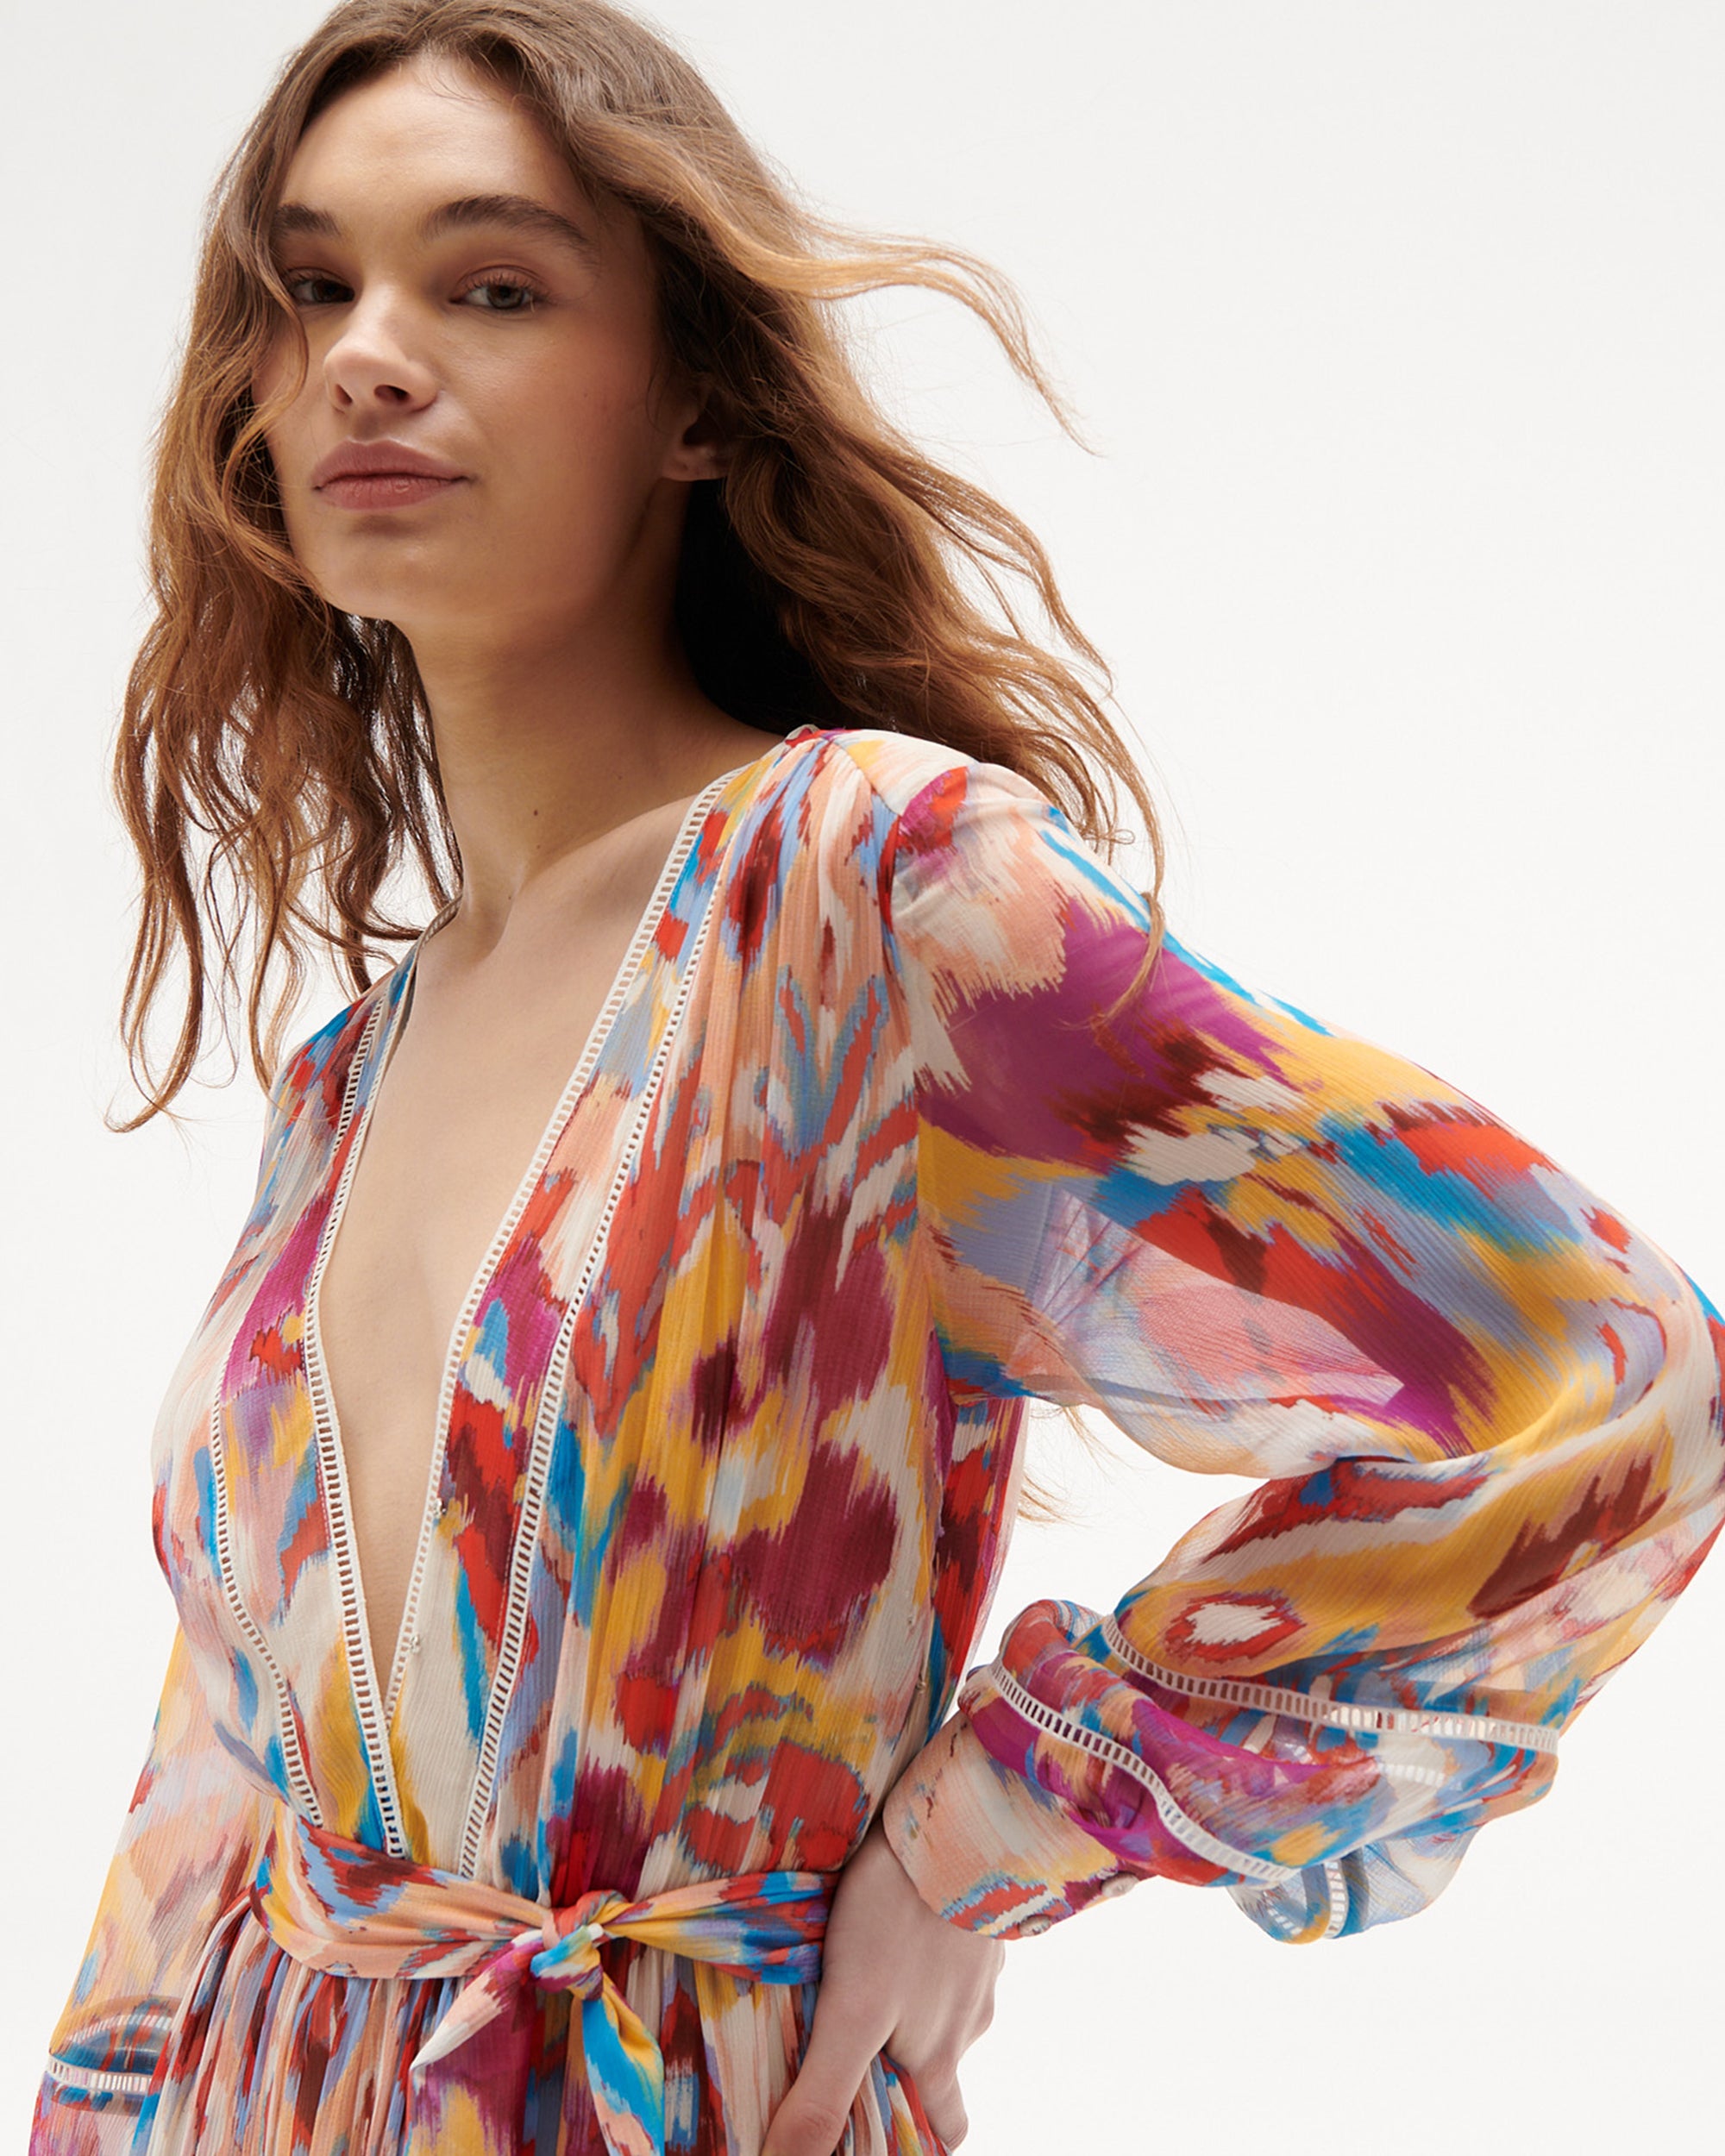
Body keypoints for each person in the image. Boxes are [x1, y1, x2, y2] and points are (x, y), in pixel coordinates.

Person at [31, 3, 1725, 2153]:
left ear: (692, 402)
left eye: (491, 286)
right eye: (308, 284)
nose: (364, 353)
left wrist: (985, 1828)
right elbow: (206, 1802)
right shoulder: (344, 1078)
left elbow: (1608, 1378)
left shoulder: (872, 895)